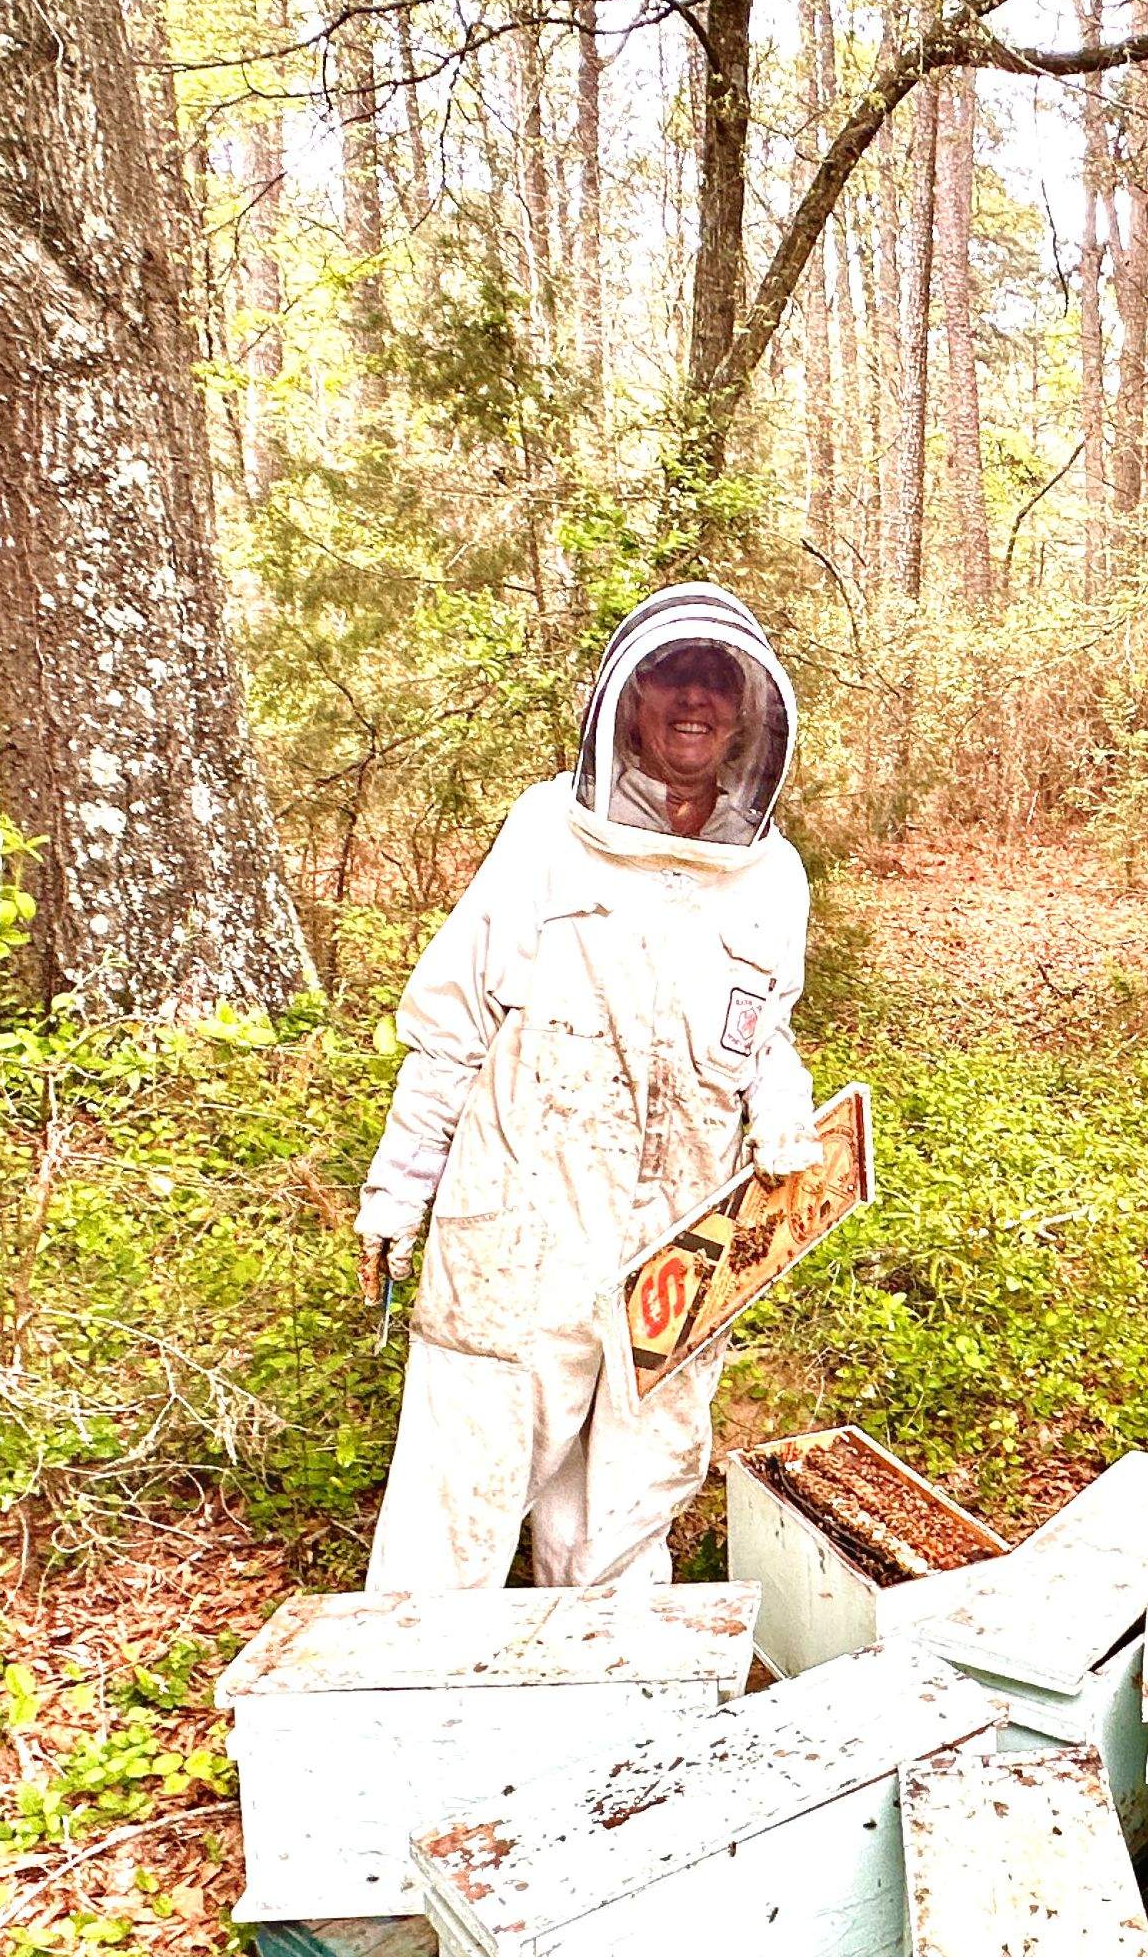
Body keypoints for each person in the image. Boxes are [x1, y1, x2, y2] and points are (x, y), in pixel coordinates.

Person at [352, 583, 823, 1591]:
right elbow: (453, 1022)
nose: (693, 699)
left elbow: (760, 1024)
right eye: (670, 676)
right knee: (464, 1486)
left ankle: (617, 1680)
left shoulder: (773, 874)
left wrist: (780, 1094)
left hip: (679, 1234)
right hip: (525, 1217)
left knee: (631, 1494)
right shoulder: (545, 835)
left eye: (715, 681)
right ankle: (417, 1676)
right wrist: (399, 1189)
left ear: (748, 711)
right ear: (628, 701)